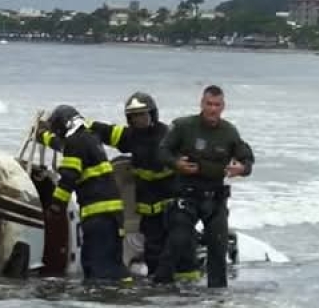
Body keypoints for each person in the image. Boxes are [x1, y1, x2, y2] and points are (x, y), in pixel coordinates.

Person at [153, 85, 254, 288]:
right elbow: (162, 152)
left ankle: (216, 299)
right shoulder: (184, 126)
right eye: (209, 104)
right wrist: (176, 164)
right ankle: (160, 287)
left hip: (214, 198)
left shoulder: (229, 132)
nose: (212, 109)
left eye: (217, 105)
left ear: (223, 107)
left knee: (218, 247)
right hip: (186, 194)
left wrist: (241, 168)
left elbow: (247, 159)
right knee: (178, 242)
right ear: (202, 104)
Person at [82, 91, 175, 277]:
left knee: (175, 247)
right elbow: (106, 132)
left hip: (171, 206)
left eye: (142, 115)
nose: (138, 120)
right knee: (153, 249)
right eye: (134, 116)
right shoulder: (131, 137)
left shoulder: (168, 136)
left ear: (152, 114)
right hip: (147, 207)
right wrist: (78, 122)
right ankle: (156, 284)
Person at [39, 103, 131, 283]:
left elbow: (68, 177)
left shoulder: (75, 142)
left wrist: (56, 206)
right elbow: (62, 145)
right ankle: (121, 295)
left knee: (99, 267)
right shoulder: (89, 137)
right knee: (111, 262)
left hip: (98, 215)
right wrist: (43, 137)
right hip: (111, 216)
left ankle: (106, 300)